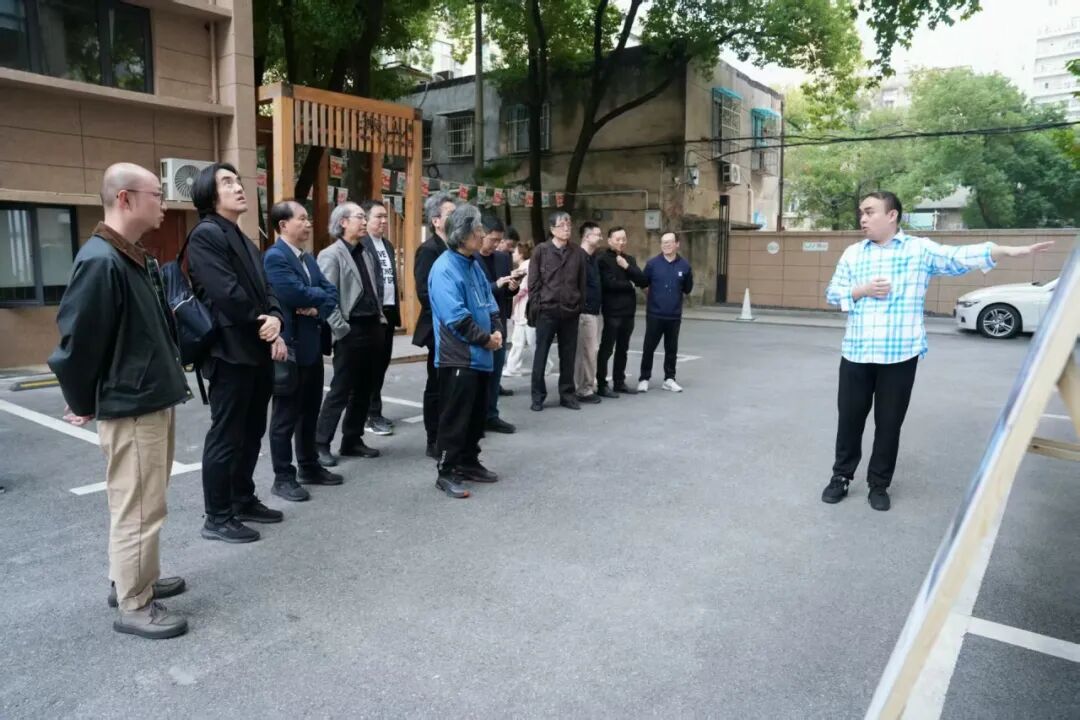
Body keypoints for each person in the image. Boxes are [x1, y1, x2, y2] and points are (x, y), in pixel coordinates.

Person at [822, 191, 1053, 511]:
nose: (863, 218)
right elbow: (832, 294)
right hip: (856, 353)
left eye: (870, 212)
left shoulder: (919, 250)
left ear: (892, 215)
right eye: (861, 212)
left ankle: (879, 483)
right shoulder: (853, 254)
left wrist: (1004, 251)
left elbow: (958, 256)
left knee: (889, 424)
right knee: (849, 420)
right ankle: (841, 476)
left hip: (900, 355)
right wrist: (861, 290)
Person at [49, 162, 191, 638]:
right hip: (133, 404)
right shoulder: (102, 260)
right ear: (125, 198)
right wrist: (82, 400)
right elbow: (77, 342)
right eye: (157, 195)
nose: (164, 203)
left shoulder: (127, 256)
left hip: (147, 397)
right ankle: (135, 602)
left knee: (142, 502)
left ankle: (134, 578)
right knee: (140, 508)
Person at [187, 162, 287, 544]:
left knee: (251, 431)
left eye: (238, 180)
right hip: (229, 352)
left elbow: (267, 289)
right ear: (209, 194)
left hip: (254, 348)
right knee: (226, 435)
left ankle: (242, 499)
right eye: (227, 182)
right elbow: (226, 293)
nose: (238, 187)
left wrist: (276, 318)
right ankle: (217, 516)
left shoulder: (244, 238)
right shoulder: (206, 235)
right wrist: (264, 323)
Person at [264, 201, 342, 501]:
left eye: (308, 218)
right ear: (283, 225)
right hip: (289, 348)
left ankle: (309, 466)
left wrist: (316, 306)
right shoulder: (275, 257)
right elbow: (292, 293)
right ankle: (283, 477)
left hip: (311, 347)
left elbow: (331, 292)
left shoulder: (307, 258)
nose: (308, 224)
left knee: (309, 412)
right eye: (302, 219)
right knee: (285, 417)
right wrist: (316, 297)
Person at [428, 203, 503, 499]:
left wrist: (497, 329)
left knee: (476, 416)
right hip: (458, 357)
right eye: (478, 229)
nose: (483, 234)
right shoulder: (444, 268)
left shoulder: (473, 264)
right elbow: (456, 318)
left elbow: (490, 303)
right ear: (463, 234)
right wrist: (487, 340)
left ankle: (469, 461)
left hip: (482, 355)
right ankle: (446, 471)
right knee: (455, 419)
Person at [315, 202, 386, 467]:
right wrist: (340, 328)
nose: (365, 222)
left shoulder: (365, 253)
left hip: (372, 326)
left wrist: (380, 318)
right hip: (350, 329)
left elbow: (374, 289)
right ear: (343, 222)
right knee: (341, 388)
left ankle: (352, 439)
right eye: (359, 217)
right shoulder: (331, 254)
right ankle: (320, 443)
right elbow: (326, 298)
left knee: (366, 388)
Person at [528, 211, 587, 411]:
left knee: (568, 355)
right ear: (553, 229)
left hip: (570, 310)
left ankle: (567, 394)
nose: (567, 228)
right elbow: (533, 282)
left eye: (569, 224)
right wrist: (538, 305)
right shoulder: (541, 251)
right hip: (547, 310)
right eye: (562, 225)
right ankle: (537, 396)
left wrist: (579, 305)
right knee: (541, 354)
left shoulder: (577, 252)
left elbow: (582, 282)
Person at [413, 192, 457, 458]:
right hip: (439, 328)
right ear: (436, 221)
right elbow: (424, 292)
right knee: (437, 384)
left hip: (458, 327)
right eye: (450, 214)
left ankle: (452, 433)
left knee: (454, 385)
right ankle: (434, 438)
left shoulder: (456, 246)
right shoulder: (428, 250)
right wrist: (451, 313)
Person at [476, 215, 521, 433]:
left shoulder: (503, 258)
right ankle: (475, 418)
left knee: (495, 373)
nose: (496, 244)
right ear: (481, 234)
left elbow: (507, 293)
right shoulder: (470, 258)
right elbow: (476, 292)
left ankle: (491, 415)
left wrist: (512, 286)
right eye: (493, 239)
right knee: (478, 375)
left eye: (499, 240)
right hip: (477, 324)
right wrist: (496, 285)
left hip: (498, 322)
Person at [637, 231, 693, 394]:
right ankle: (644, 378)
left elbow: (687, 289)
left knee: (671, 349)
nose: (666, 245)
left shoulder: (685, 266)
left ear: (677, 244)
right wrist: (654, 298)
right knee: (649, 347)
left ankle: (669, 379)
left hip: (674, 315)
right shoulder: (652, 264)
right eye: (663, 242)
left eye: (669, 242)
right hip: (655, 314)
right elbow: (643, 284)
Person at [362, 200, 399, 437]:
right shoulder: (362, 245)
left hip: (390, 310)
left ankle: (375, 411)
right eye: (378, 217)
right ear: (365, 219)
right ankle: (370, 414)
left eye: (385, 217)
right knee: (371, 366)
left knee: (382, 364)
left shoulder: (387, 245)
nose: (384, 221)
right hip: (373, 314)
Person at [596, 226, 648, 397]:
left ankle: (619, 382)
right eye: (617, 239)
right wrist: (629, 284)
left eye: (624, 239)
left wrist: (627, 267)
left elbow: (642, 280)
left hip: (628, 312)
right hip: (612, 311)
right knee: (607, 349)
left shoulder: (629, 259)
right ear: (609, 240)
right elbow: (609, 284)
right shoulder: (602, 259)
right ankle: (602, 384)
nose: (621, 242)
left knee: (623, 349)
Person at [504, 241, 554, 378]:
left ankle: (543, 365)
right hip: (527, 309)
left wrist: (512, 306)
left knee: (529, 340)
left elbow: (520, 290)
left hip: (526, 309)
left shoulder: (525, 267)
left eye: (515, 252)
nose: (513, 254)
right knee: (522, 340)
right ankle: (514, 367)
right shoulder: (528, 265)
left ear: (521, 254)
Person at [573, 222, 604, 404]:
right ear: (586, 236)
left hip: (593, 311)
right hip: (584, 312)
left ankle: (586, 385)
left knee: (589, 350)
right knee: (587, 351)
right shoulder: (578, 258)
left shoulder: (593, 258)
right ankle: (584, 388)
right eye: (597, 234)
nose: (600, 238)